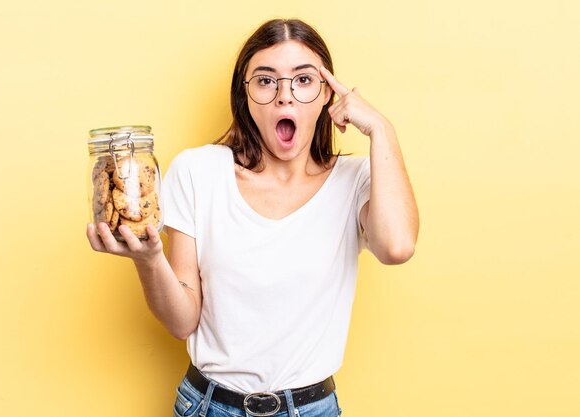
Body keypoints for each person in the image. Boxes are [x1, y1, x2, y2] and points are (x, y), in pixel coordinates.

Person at [87, 18, 418, 417]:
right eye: (265, 81)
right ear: (245, 97)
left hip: (311, 409)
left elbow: (397, 247)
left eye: (303, 80)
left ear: (327, 95)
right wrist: (148, 260)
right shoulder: (197, 171)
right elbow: (182, 321)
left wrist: (381, 128)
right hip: (209, 406)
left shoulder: (358, 180)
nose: (284, 97)